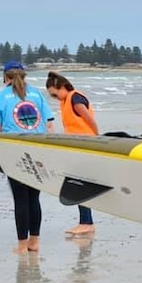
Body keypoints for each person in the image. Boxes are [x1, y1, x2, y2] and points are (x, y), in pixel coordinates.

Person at [0, 60, 55, 254]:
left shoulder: (0, 97)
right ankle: (35, 242)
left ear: (5, 76)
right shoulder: (37, 95)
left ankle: (22, 245)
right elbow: (49, 125)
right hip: (38, 149)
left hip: (13, 151)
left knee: (20, 199)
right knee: (34, 198)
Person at [46, 72, 99, 235]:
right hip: (78, 147)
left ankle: (87, 222)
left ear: (61, 87)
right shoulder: (67, 100)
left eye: (55, 94)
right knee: (78, 184)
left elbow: (89, 119)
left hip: (86, 146)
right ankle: (85, 221)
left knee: (79, 184)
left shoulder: (75, 98)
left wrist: (97, 138)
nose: (55, 98)